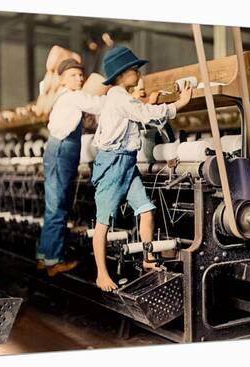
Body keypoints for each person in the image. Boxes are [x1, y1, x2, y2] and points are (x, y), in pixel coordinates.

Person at [91, 46, 192, 291]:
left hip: (127, 162)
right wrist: (179, 104)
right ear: (121, 74)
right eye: (134, 70)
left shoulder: (121, 96)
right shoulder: (117, 96)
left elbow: (137, 110)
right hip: (113, 164)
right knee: (103, 222)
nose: (138, 73)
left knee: (146, 209)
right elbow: (143, 113)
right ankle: (101, 274)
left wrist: (148, 101)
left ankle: (147, 257)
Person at [37, 58, 106, 277]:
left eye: (80, 74)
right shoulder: (73, 96)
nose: (80, 78)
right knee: (58, 205)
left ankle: (45, 256)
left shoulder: (61, 96)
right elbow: (99, 105)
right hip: (62, 151)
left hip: (57, 150)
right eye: (73, 75)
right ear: (63, 79)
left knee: (54, 205)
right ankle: (54, 261)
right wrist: (121, 95)